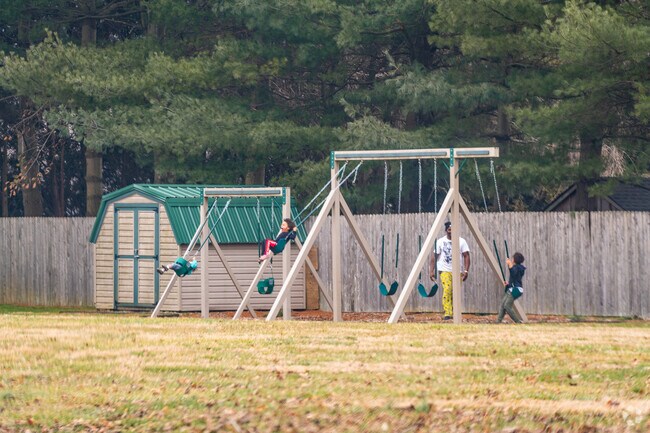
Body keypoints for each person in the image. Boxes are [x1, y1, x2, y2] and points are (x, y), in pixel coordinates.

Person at [429, 221, 470, 320]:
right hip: (444, 270)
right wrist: (431, 270)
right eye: (449, 230)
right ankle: (448, 312)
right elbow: (434, 257)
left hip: (458, 270)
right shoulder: (440, 242)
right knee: (447, 289)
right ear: (446, 230)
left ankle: (454, 312)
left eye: (453, 230)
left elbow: (466, 256)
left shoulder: (461, 241)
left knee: (455, 292)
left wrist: (466, 271)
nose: (451, 232)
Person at [497, 252, 525, 323]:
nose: (511, 259)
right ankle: (498, 321)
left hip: (516, 289)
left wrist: (510, 264)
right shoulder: (517, 268)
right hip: (513, 288)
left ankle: (517, 321)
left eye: (512, 258)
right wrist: (508, 284)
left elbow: (513, 272)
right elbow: (514, 279)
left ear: (515, 260)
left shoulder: (518, 268)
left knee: (507, 305)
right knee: (503, 304)